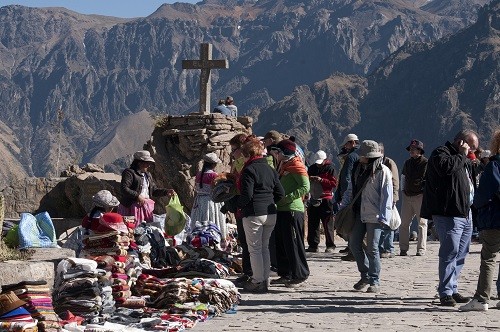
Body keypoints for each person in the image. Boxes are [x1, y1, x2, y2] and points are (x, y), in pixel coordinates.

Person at [421, 129, 479, 306]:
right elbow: (446, 169)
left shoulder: (464, 158)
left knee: (461, 252)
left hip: (465, 211)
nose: (473, 152)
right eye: (472, 148)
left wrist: (476, 160)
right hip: (448, 212)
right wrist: (463, 154)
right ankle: (445, 292)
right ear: (462, 142)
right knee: (449, 251)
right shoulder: (441, 153)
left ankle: (453, 288)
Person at [340, 140, 393, 293]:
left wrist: (384, 216)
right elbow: (351, 189)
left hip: (374, 215)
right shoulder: (357, 169)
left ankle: (374, 280)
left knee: (373, 248)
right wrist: (343, 206)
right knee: (354, 244)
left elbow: (387, 196)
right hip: (358, 213)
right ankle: (365, 274)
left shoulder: (382, 171)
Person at [236, 138, 285, 293]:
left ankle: (257, 280)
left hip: (254, 214)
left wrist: (235, 204)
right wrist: (269, 201)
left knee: (255, 249)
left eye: (244, 155)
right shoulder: (270, 169)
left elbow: (246, 196)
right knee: (264, 248)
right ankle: (264, 280)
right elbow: (280, 193)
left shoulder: (249, 170)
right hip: (270, 212)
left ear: (248, 154)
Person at [459, 129, 500, 311]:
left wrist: (477, 204)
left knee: (489, 258)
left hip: (495, 218)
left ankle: (482, 298)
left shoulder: (494, 166)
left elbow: (484, 194)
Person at [271, 139, 310, 288]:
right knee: (282, 243)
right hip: (282, 209)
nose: (276, 154)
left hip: (292, 209)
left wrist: (287, 198)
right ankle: (286, 273)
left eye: (278, 152)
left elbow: (305, 187)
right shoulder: (284, 165)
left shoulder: (296, 165)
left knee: (293, 243)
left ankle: (299, 273)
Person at [118, 150, 174, 225]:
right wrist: (137, 196)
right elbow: (124, 188)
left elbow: (153, 190)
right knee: (132, 229)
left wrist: (166, 192)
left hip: (145, 208)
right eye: (146, 163)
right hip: (131, 207)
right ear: (139, 162)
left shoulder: (147, 175)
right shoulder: (129, 173)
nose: (149, 165)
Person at [399, 139, 428, 256]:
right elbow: (403, 177)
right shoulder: (408, 163)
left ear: (419, 150)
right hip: (407, 195)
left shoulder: (426, 163)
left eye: (413, 149)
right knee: (404, 223)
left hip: (420, 196)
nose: (411, 151)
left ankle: (421, 249)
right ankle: (403, 248)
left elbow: (428, 180)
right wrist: (402, 190)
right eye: (410, 149)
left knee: (422, 223)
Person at [190, 152, 227, 242]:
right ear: (214, 164)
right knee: (212, 219)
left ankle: (200, 238)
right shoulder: (214, 175)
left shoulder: (199, 174)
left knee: (201, 219)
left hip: (199, 201)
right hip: (211, 201)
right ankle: (214, 238)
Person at [334, 133, 359, 261]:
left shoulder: (351, 158)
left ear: (351, 143)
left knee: (349, 221)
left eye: (347, 144)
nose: (346, 146)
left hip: (349, 193)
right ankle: (351, 246)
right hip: (355, 192)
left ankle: (353, 248)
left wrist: (345, 193)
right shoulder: (358, 156)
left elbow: (346, 177)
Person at [306, 150, 338, 253]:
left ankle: (330, 245)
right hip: (314, 198)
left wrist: (321, 180)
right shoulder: (311, 169)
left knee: (327, 222)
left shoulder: (330, 169)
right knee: (313, 222)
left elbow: (333, 183)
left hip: (326, 198)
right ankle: (313, 245)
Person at [378, 143, 399, 258]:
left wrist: (394, 198)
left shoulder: (389, 163)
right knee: (380, 224)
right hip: (378, 198)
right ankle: (380, 248)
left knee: (389, 225)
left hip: (388, 198)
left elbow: (395, 181)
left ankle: (389, 249)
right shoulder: (375, 163)